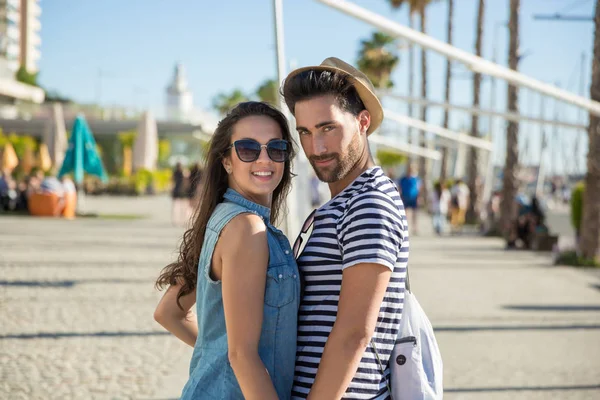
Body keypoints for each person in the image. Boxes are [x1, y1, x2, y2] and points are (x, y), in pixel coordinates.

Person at [154, 102, 299, 400]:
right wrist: (233, 356)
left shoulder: (222, 219)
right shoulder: (246, 229)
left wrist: (220, 354)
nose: (264, 158)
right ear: (227, 161)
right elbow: (243, 356)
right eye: (247, 148)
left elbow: (168, 312)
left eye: (276, 148)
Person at [282, 57, 408, 399]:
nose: (316, 148)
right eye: (305, 132)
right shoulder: (343, 204)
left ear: (362, 122)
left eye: (328, 128)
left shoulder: (369, 204)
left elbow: (354, 332)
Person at [398, 163, 421, 235]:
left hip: (414, 198)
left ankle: (415, 228)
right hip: (405, 197)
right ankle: (405, 228)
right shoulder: (403, 179)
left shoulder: (416, 179)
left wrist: (419, 197)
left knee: (415, 214)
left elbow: (419, 189)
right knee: (406, 214)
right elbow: (399, 188)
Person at [171, 162, 188, 226]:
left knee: (178, 206)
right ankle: (180, 219)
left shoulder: (175, 172)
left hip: (177, 190)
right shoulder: (183, 172)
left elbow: (172, 181)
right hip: (180, 190)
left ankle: (178, 219)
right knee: (181, 206)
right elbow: (185, 181)